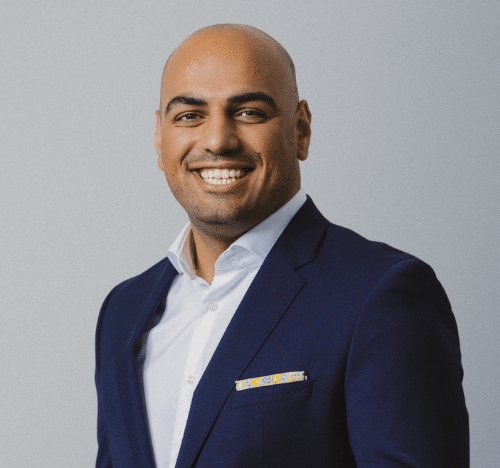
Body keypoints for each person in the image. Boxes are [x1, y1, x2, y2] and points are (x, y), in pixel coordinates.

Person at [95, 24, 469, 468]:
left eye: (249, 112)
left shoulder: (380, 294)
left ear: (301, 130)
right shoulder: (123, 311)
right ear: (160, 138)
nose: (217, 140)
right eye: (190, 116)